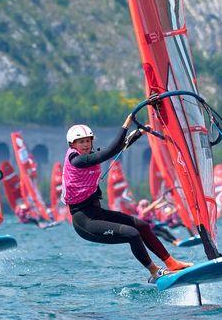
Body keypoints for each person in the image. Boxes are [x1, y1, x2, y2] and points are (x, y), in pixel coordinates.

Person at [63, 117, 200, 283]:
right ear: (72, 145)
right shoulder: (76, 160)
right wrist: (126, 125)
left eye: (87, 141)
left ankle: (172, 263)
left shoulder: (89, 154)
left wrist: (139, 133)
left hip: (97, 212)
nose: (85, 145)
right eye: (80, 142)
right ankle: (154, 272)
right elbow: (108, 152)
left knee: (141, 225)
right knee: (132, 234)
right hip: (84, 221)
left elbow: (119, 147)